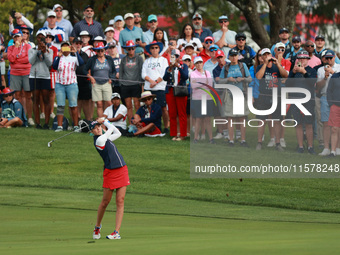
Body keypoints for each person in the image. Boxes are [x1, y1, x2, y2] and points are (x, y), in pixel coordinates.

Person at [90, 118, 130, 240]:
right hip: (110, 172)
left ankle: (116, 232)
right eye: (96, 128)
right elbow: (111, 129)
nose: (98, 129)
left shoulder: (105, 137)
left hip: (122, 170)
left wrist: (104, 122)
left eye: (99, 127)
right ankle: (97, 226)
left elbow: (118, 133)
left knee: (120, 200)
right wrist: (105, 121)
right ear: (92, 132)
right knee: (105, 202)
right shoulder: (100, 140)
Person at [255, 48, 288, 151]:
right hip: (263, 96)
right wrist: (265, 64)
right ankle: (259, 142)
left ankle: (277, 143)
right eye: (265, 55)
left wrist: (278, 64)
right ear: (263, 57)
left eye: (268, 54)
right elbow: (259, 77)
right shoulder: (260, 67)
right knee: (261, 120)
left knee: (277, 120)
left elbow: (285, 75)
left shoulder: (277, 66)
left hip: (275, 96)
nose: (267, 56)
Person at [218, 48, 252, 146]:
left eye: (235, 55)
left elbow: (250, 79)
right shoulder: (226, 67)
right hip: (229, 94)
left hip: (241, 93)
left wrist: (243, 79)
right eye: (232, 55)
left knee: (242, 118)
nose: (233, 57)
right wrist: (228, 79)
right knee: (230, 118)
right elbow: (220, 81)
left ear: (238, 56)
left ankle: (243, 140)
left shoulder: (243, 65)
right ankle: (231, 140)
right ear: (229, 57)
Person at [287, 50, 317, 154]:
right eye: (300, 58)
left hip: (308, 101)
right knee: (298, 124)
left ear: (308, 60)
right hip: (296, 100)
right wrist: (293, 73)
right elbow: (287, 84)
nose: (302, 60)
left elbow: (312, 82)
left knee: (309, 124)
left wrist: (304, 72)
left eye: (304, 58)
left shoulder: (311, 71)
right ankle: (300, 146)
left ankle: (310, 147)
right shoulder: (294, 71)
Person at [52, 41, 84, 132]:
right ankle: (59, 126)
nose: (65, 50)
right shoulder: (58, 58)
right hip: (60, 84)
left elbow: (81, 63)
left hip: (71, 83)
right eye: (63, 47)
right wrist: (58, 56)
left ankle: (76, 126)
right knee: (60, 105)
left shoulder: (73, 58)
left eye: (67, 47)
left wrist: (76, 52)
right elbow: (54, 67)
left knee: (73, 105)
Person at [316, 49, 340, 156]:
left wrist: (333, 73)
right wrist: (325, 77)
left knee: (337, 126)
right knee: (326, 123)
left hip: (337, 99)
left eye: (331, 58)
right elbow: (318, 87)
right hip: (325, 97)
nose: (329, 60)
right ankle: (326, 148)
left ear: (334, 57)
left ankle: (337, 148)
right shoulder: (321, 70)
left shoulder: (339, 68)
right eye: (327, 58)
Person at [142, 41, 169, 133]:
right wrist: (151, 81)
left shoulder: (164, 60)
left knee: (163, 108)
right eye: (152, 48)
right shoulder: (146, 61)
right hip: (148, 88)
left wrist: (156, 82)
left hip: (160, 87)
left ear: (159, 49)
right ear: (150, 50)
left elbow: (164, 73)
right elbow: (143, 74)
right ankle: (150, 127)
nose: (154, 50)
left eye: (156, 48)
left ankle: (166, 127)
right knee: (149, 108)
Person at [7, 29, 33, 125]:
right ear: (13, 38)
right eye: (15, 36)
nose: (17, 38)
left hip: (26, 72)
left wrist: (17, 59)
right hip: (15, 73)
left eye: (18, 36)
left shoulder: (27, 46)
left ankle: (29, 117)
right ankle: (19, 116)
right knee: (17, 96)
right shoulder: (10, 48)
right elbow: (11, 59)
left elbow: (28, 59)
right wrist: (16, 49)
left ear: (22, 37)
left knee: (27, 96)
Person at [28, 31, 53, 129]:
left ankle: (46, 123)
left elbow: (49, 63)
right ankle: (37, 123)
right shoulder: (31, 50)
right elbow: (31, 61)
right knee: (36, 100)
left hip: (45, 76)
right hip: (34, 76)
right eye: (38, 37)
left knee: (46, 100)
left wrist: (44, 52)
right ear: (36, 39)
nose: (40, 39)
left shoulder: (49, 51)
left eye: (42, 37)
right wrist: (37, 51)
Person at [85, 41, 116, 118]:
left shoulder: (109, 59)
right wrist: (90, 77)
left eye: (102, 50)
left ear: (104, 50)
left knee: (109, 103)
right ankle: (101, 123)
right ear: (96, 51)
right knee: (99, 104)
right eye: (98, 50)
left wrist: (111, 78)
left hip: (107, 83)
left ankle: (109, 121)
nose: (100, 52)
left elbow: (114, 71)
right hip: (96, 83)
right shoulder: (92, 59)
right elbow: (84, 70)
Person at [163, 51, 189, 141]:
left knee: (182, 113)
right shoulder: (169, 67)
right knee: (172, 113)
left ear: (179, 57)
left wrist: (178, 66)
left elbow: (185, 76)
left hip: (180, 90)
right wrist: (170, 68)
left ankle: (183, 134)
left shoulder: (183, 66)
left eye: (177, 56)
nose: (175, 57)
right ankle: (174, 133)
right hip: (170, 91)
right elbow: (165, 78)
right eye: (173, 56)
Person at [191, 56, 215, 144]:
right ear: (195, 64)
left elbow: (210, 84)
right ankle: (196, 138)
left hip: (207, 98)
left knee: (207, 118)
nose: (199, 64)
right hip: (197, 99)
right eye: (197, 63)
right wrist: (204, 82)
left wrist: (199, 83)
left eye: (200, 62)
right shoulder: (193, 74)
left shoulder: (207, 72)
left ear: (202, 63)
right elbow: (193, 86)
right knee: (198, 118)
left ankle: (211, 138)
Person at [119, 40, 144, 124]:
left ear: (135, 48)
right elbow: (121, 72)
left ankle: (138, 124)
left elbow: (141, 71)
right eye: (129, 49)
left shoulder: (139, 58)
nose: (131, 50)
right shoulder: (123, 59)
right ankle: (131, 124)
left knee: (137, 105)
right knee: (129, 106)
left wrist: (141, 84)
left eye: (132, 48)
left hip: (136, 84)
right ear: (126, 49)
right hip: (125, 85)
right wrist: (121, 83)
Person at [73, 37, 93, 121]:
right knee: (76, 101)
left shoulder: (84, 54)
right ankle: (76, 120)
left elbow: (87, 66)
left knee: (85, 101)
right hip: (73, 80)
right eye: (76, 43)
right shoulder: (69, 54)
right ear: (73, 44)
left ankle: (88, 120)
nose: (78, 45)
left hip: (84, 80)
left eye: (80, 43)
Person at [327, 71, 340, 157]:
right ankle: (333, 151)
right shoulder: (335, 76)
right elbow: (329, 90)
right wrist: (331, 104)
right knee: (334, 129)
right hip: (335, 106)